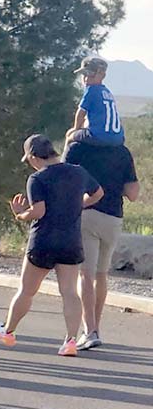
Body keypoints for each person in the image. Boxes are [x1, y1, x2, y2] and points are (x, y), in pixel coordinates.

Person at [0, 135, 104, 356]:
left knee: (27, 290)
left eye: (29, 159)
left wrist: (20, 215)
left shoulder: (37, 179)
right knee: (70, 292)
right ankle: (71, 340)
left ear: (34, 156)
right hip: (70, 241)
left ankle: (9, 329)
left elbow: (39, 211)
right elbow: (98, 193)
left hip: (43, 240)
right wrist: (78, 205)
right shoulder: (78, 172)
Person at [64, 140, 139, 349]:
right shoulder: (122, 151)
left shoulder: (77, 147)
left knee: (85, 274)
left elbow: (64, 179)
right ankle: (95, 327)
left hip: (87, 213)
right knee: (101, 274)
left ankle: (89, 331)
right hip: (113, 218)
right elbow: (133, 193)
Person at [66, 56, 125, 147]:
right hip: (118, 139)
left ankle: (64, 160)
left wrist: (76, 128)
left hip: (99, 136)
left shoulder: (92, 90)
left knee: (70, 136)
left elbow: (81, 112)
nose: (86, 78)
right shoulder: (107, 92)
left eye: (90, 75)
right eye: (84, 75)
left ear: (102, 75)